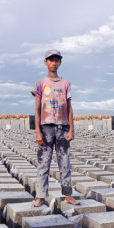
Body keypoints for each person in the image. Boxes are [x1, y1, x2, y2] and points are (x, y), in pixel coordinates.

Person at [31, 49, 80, 208]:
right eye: (51, 60)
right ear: (46, 62)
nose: (54, 63)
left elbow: (70, 108)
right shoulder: (40, 83)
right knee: (43, 163)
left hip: (63, 127)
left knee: (64, 163)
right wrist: (37, 130)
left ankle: (68, 195)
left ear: (60, 62)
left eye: (57, 60)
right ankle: (40, 196)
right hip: (46, 129)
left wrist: (72, 129)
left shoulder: (66, 83)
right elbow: (37, 109)